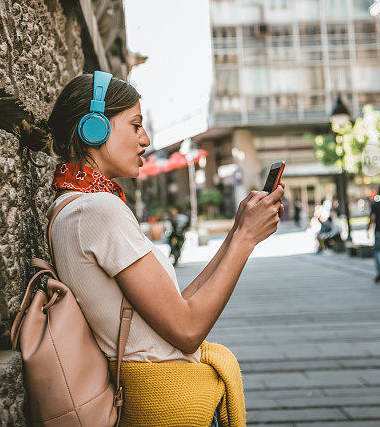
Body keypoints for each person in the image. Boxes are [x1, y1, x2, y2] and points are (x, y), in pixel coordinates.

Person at [17, 71, 284, 426]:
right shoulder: (99, 210)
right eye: (135, 125)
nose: (145, 139)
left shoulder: (70, 206)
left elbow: (175, 309)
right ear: (94, 129)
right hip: (168, 404)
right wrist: (246, 241)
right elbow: (188, 332)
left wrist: (237, 232)